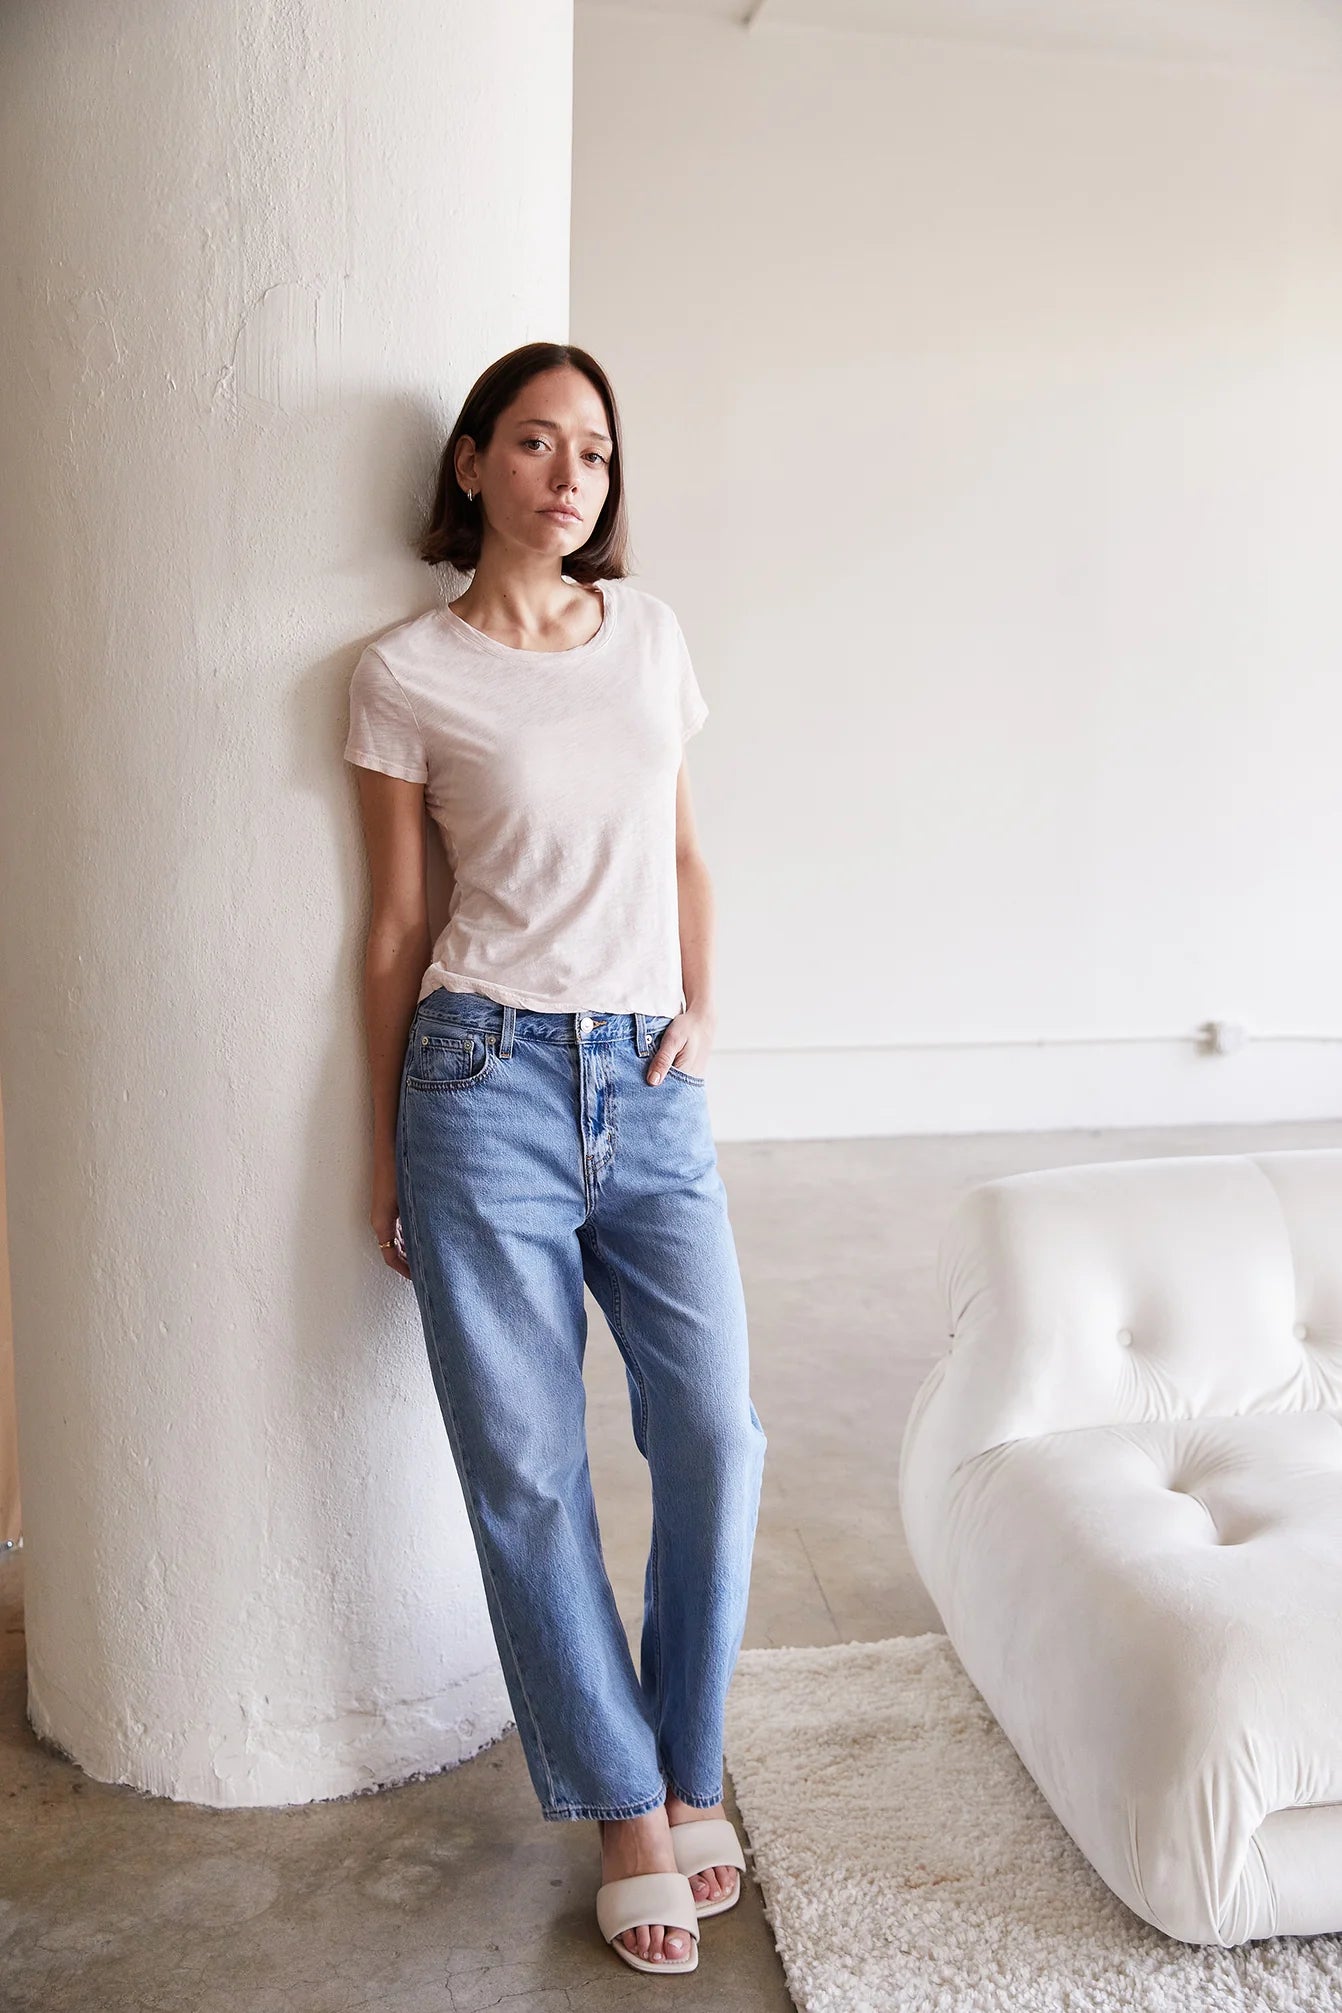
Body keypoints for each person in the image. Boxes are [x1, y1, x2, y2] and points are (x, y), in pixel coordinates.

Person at [343, 340, 767, 1978]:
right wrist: (382, 1144)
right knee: (525, 1467)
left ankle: (689, 1755)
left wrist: (705, 1007)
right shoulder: (402, 673)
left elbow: (683, 852)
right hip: (480, 1078)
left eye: (590, 448)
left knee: (712, 1430)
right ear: (471, 464)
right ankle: (627, 1810)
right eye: (532, 441)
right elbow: (395, 926)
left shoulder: (647, 636)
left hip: (649, 1081)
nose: (567, 474)